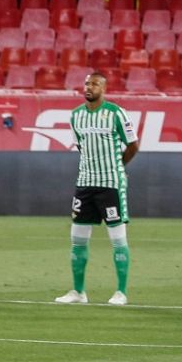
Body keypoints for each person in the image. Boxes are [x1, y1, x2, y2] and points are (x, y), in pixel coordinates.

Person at [55, 72, 138, 306]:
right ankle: (78, 292)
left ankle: (121, 292)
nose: (89, 87)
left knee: (117, 237)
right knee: (77, 238)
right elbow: (81, 147)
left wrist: (116, 166)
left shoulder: (115, 113)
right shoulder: (76, 116)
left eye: (94, 83)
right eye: (87, 83)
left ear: (104, 88)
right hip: (84, 183)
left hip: (111, 184)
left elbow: (133, 145)